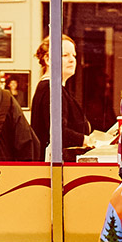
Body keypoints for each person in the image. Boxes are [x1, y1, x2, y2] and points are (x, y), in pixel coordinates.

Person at [30, 35, 92, 163]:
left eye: (74, 55)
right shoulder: (50, 89)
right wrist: (86, 140)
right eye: (65, 55)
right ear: (47, 59)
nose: (72, 60)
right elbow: (57, 132)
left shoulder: (52, 88)